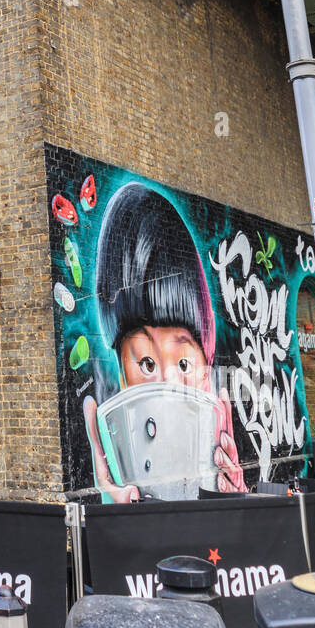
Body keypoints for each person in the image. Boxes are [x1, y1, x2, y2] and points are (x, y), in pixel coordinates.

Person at [82, 181, 246, 500]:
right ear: (119, 371)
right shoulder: (111, 434)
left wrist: (234, 493)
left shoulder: (215, 437)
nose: (167, 381)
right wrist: (109, 496)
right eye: (146, 363)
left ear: (206, 358)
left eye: (184, 362)